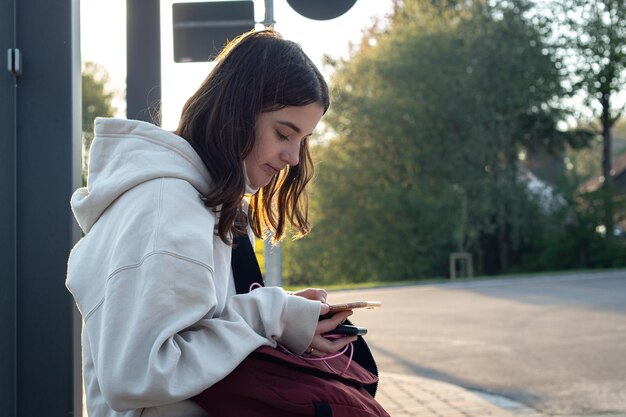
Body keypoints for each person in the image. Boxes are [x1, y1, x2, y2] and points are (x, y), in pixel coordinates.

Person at [66, 30, 357, 417]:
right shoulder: (165, 204)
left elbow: (199, 324)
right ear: (235, 111)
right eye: (283, 133)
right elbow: (138, 374)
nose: (292, 156)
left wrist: (284, 314)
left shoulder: (207, 201)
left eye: (302, 140)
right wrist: (271, 314)